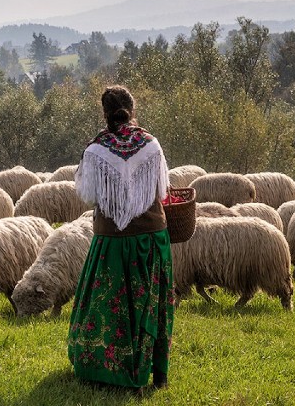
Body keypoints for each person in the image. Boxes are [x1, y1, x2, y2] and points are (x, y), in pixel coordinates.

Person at [67, 85, 175, 391]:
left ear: (105, 113)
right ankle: (158, 375)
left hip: (111, 239)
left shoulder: (95, 150)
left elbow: (90, 194)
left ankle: (109, 372)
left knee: (110, 303)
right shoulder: (151, 145)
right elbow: (160, 189)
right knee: (151, 304)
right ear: (132, 109)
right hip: (150, 237)